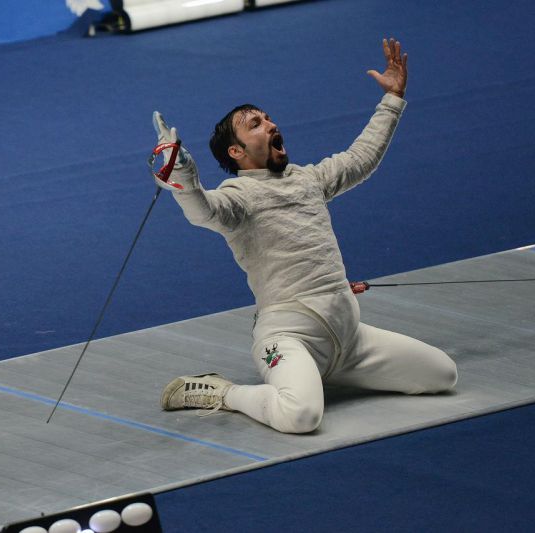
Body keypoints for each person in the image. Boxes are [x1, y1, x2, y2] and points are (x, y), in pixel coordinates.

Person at [154, 38, 457, 434]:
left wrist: (392, 99)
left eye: (267, 118)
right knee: (301, 416)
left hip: (350, 339)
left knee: (442, 374)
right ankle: (223, 392)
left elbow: (361, 158)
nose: (271, 125)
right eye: (255, 124)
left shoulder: (308, 179)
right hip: (288, 336)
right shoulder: (238, 197)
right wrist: (182, 173)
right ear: (236, 152)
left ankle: (319, 373)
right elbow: (203, 212)